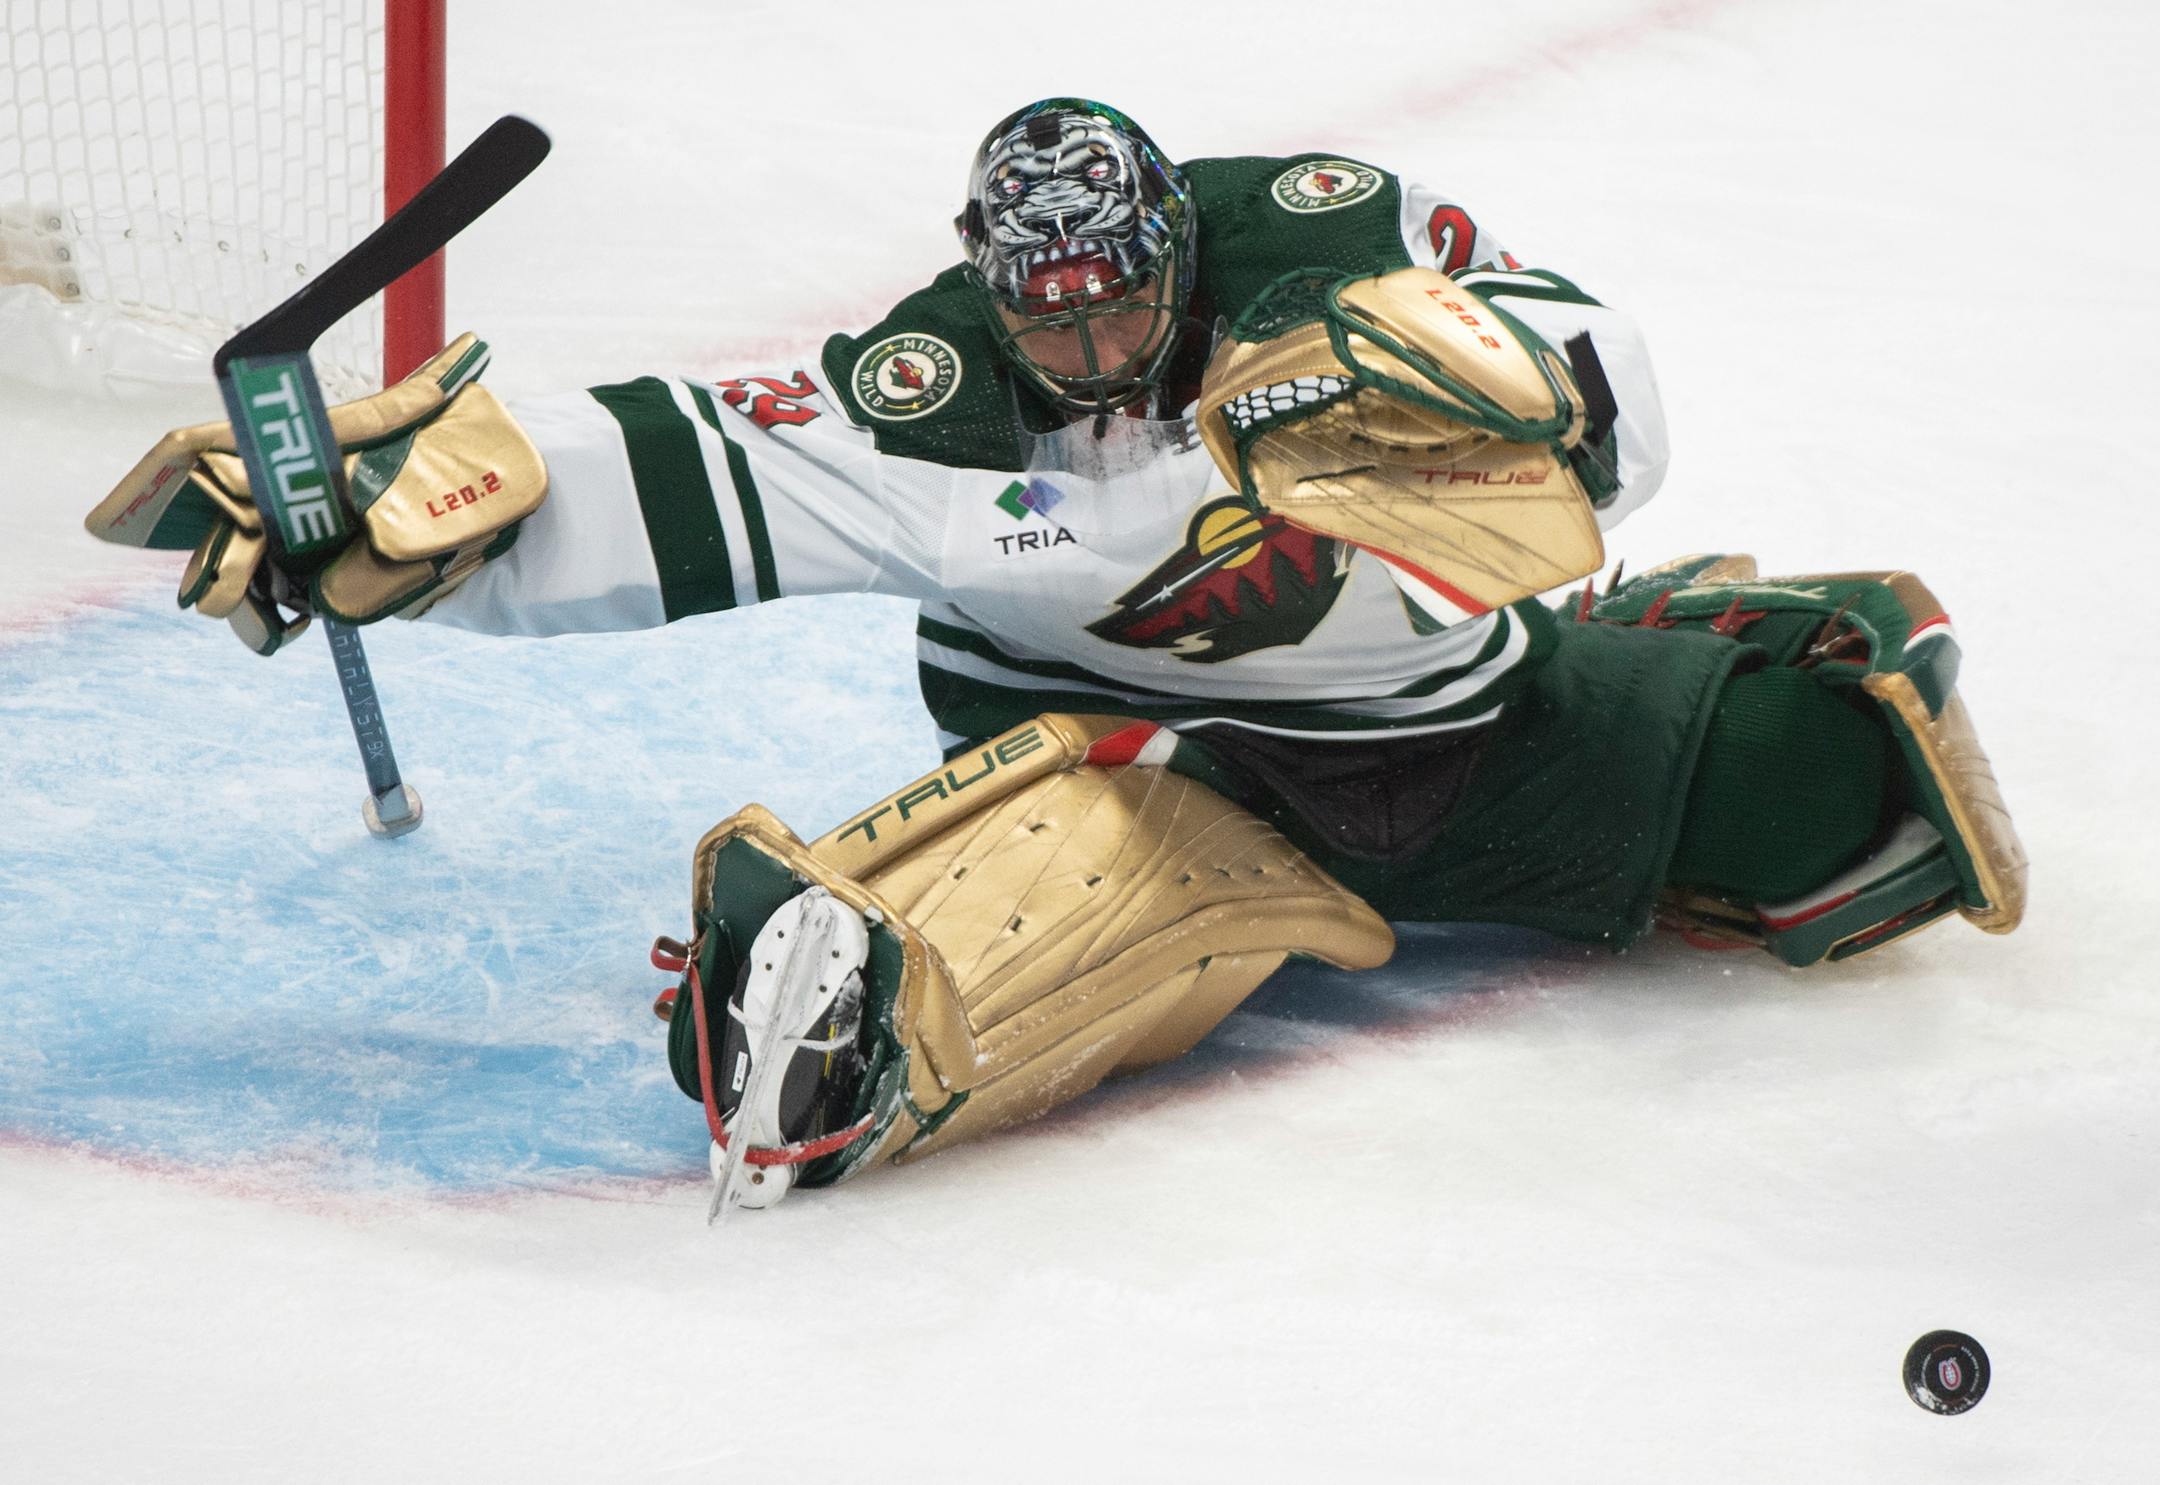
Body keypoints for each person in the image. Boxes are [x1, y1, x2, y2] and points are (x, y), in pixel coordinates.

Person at [87, 99, 2025, 1212]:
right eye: (1050, 314)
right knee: (833, 1032)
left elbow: (1599, 392)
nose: (1089, 349)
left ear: (1178, 245)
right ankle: (903, 928)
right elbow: (699, 466)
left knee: (1853, 801)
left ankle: (1672, 657)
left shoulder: (1328, 246)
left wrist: (1532, 381)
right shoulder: (935, 393)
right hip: (1163, 778)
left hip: (1477, 726)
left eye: (1119, 304)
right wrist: (447, 518)